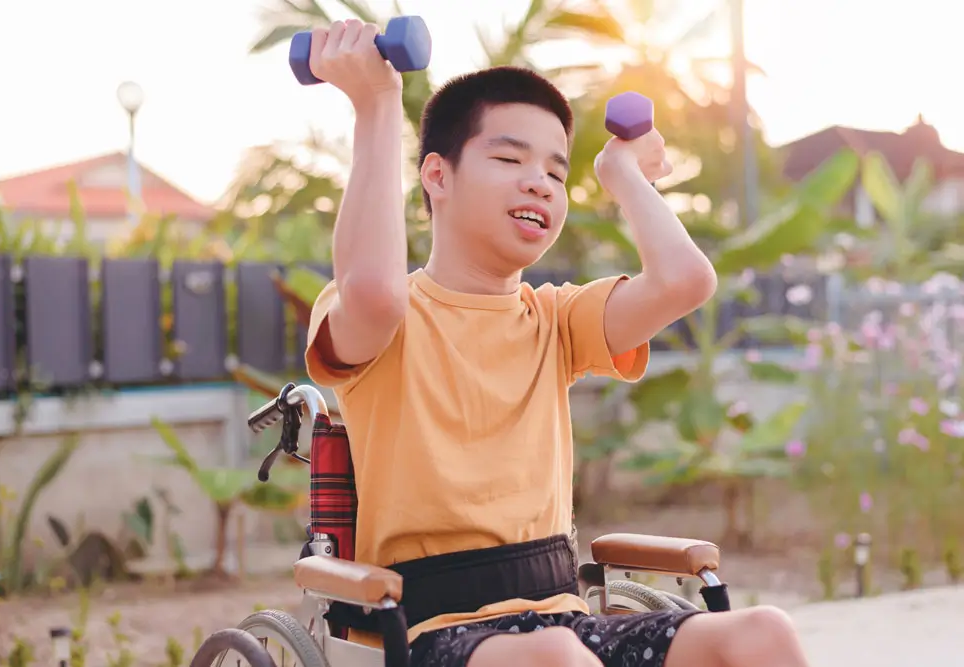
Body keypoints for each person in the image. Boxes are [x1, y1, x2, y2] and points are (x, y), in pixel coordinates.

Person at [301, 18, 812, 667]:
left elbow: (685, 280)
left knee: (761, 632)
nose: (540, 181)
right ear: (438, 175)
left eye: (555, 170)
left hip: (561, 616)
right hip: (430, 629)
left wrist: (623, 173)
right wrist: (374, 103)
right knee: (559, 658)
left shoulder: (556, 319)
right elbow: (372, 290)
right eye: (510, 159)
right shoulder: (387, 316)